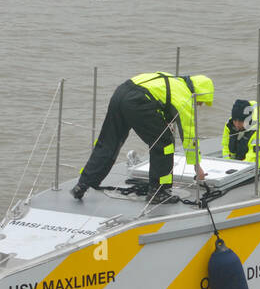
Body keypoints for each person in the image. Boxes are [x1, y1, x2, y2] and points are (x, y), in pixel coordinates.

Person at [71, 72, 214, 200]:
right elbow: (189, 135)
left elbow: (159, 100)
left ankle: (83, 184)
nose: (200, 105)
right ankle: (158, 192)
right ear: (198, 92)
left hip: (121, 93)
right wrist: (197, 167)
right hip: (138, 100)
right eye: (201, 101)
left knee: (108, 141)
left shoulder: (173, 81)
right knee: (164, 144)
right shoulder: (185, 95)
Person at [221, 98, 260, 172]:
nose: (237, 124)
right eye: (235, 120)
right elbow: (226, 147)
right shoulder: (230, 126)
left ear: (248, 119)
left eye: (240, 121)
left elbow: (254, 161)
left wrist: (236, 171)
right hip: (242, 164)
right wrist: (227, 165)